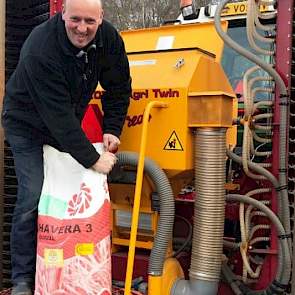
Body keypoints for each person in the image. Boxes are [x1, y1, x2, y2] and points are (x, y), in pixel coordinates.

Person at [2, 0, 131, 293]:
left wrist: (112, 127)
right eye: (75, 20)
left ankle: (69, 264)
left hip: (64, 121)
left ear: (101, 18)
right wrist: (92, 159)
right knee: (33, 192)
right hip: (26, 124)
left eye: (89, 21)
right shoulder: (40, 47)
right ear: (63, 14)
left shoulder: (109, 39)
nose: (81, 28)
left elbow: (119, 86)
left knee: (71, 194)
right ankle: (22, 278)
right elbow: (57, 116)